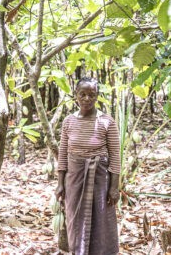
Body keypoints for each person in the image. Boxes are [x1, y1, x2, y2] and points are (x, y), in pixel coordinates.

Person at [55, 77, 120, 254]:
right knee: (75, 219)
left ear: (97, 96)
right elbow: (62, 154)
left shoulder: (107, 121)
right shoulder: (68, 121)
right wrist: (60, 183)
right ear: (75, 95)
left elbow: (115, 156)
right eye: (82, 94)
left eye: (91, 95)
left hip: (99, 178)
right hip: (74, 178)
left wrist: (114, 187)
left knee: (101, 219)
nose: (87, 99)